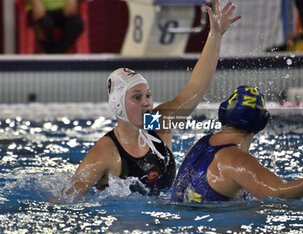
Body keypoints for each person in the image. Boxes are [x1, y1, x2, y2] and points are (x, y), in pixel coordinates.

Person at [54, 0, 241, 201]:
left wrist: (215, 35)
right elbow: (63, 201)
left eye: (148, 95)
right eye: (137, 97)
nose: (147, 103)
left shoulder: (158, 123)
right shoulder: (106, 152)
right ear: (118, 105)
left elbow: (195, 89)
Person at [171, 85, 303, 203]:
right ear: (262, 123)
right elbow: (280, 193)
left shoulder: (199, 144)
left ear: (223, 113)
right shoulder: (239, 161)